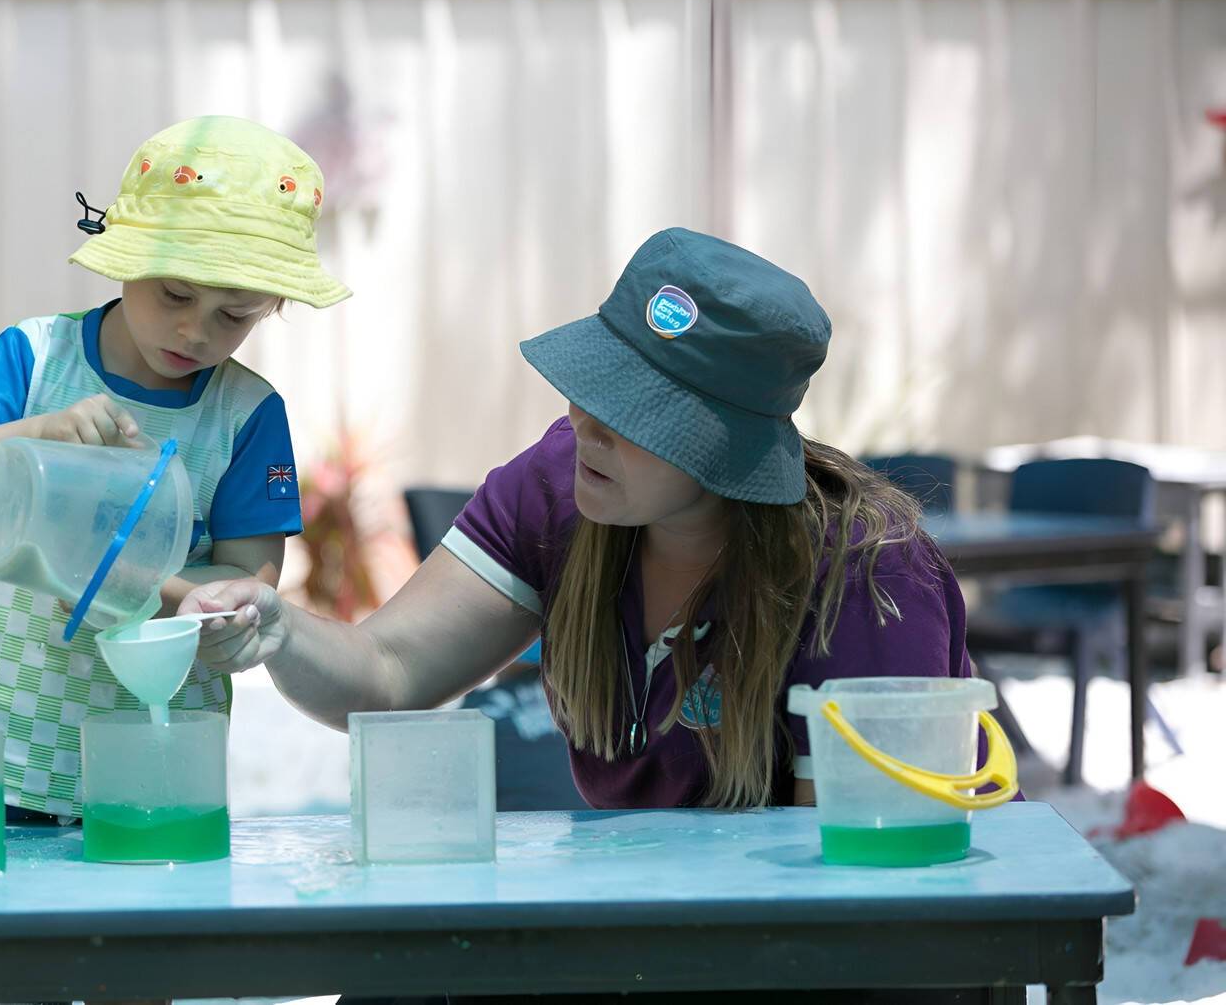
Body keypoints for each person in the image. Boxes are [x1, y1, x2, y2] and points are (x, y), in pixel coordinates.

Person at [183, 226, 981, 816]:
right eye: (592, 381)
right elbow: (390, 677)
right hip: (646, 922)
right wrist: (278, 629)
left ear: (727, 447)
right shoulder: (563, 480)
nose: (588, 424)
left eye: (637, 412)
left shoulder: (869, 572)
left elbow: (866, 885)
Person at [0, 115, 349, 821]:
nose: (195, 332)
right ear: (124, 257)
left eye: (233, 315)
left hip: (158, 774)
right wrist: (35, 436)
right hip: (9, 759)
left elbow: (247, 584)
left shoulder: (246, 415)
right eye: (174, 295)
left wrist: (135, 582)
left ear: (271, 308)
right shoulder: (36, 359)